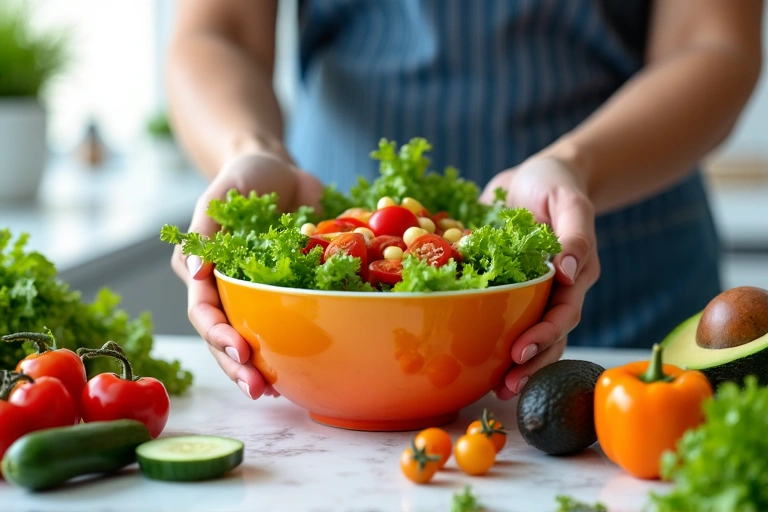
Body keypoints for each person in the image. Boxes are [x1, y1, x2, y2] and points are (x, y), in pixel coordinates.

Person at [167, 1, 763, 401]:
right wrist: (247, 150)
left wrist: (574, 164)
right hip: (333, 302)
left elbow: (712, 42)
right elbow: (217, 30)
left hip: (623, 262)